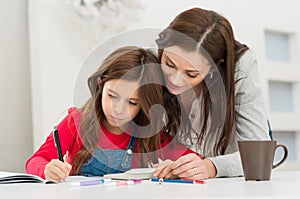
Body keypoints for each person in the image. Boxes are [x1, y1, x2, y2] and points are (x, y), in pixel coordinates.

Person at [25, 46, 200, 182]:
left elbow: (196, 162)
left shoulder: (149, 134)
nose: (118, 109)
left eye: (132, 102)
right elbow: (35, 161)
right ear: (100, 85)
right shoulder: (75, 122)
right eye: (112, 96)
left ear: (144, 106)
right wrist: (47, 169)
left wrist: (177, 168)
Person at [153, 7, 270, 180]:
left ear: (214, 67)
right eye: (169, 64)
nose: (175, 80)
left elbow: (259, 156)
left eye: (191, 74)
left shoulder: (240, 68)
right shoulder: (150, 62)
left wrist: (211, 166)